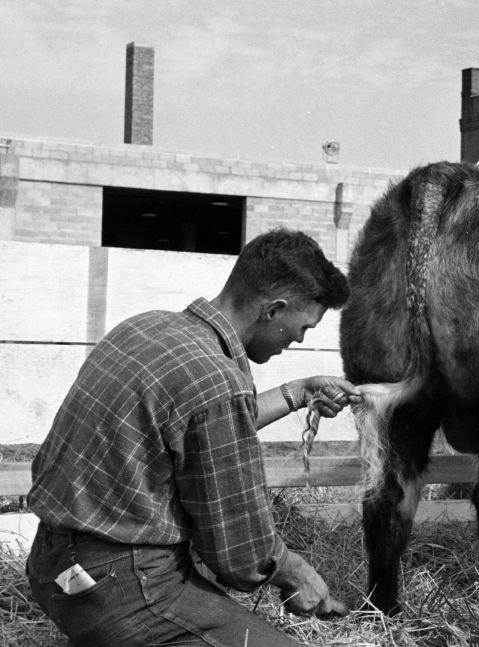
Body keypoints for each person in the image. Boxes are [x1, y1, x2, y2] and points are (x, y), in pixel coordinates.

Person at [26, 228, 363, 646]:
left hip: (51, 565)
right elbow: (241, 553)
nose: (299, 340)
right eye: (304, 327)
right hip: (121, 587)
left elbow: (195, 426)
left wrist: (299, 392)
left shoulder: (146, 329)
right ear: (273, 310)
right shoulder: (216, 382)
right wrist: (298, 574)